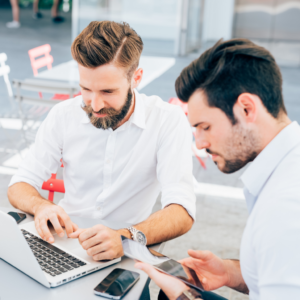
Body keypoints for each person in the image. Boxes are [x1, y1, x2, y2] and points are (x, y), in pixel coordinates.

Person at [8, 21, 195, 265]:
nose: (94, 105)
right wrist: (41, 206)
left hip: (126, 254)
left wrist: (126, 237)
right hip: (62, 244)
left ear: (136, 78)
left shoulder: (166, 121)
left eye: (108, 92)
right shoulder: (63, 115)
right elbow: (19, 184)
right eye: (86, 89)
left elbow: (182, 211)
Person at [135, 38, 300, 300]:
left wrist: (186, 298)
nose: (199, 144)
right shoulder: (286, 164)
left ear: (246, 108)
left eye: (205, 127)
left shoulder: (285, 207)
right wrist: (230, 272)